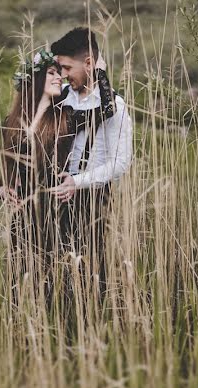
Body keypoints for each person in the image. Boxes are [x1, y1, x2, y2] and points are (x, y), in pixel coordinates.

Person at [0, 45, 119, 308]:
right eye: (52, 73)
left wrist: (98, 72)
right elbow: (7, 169)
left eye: (60, 74)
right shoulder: (12, 121)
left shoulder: (67, 118)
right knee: (22, 289)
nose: (59, 78)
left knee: (60, 289)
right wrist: (3, 188)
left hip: (60, 214)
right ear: (35, 80)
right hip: (24, 218)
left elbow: (107, 108)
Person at [48, 27, 133, 302]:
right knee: (51, 270)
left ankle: (91, 323)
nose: (63, 75)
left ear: (88, 64)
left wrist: (79, 182)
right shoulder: (58, 99)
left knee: (90, 269)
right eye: (59, 68)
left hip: (93, 198)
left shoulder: (115, 106)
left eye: (67, 67)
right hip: (54, 194)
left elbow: (120, 162)